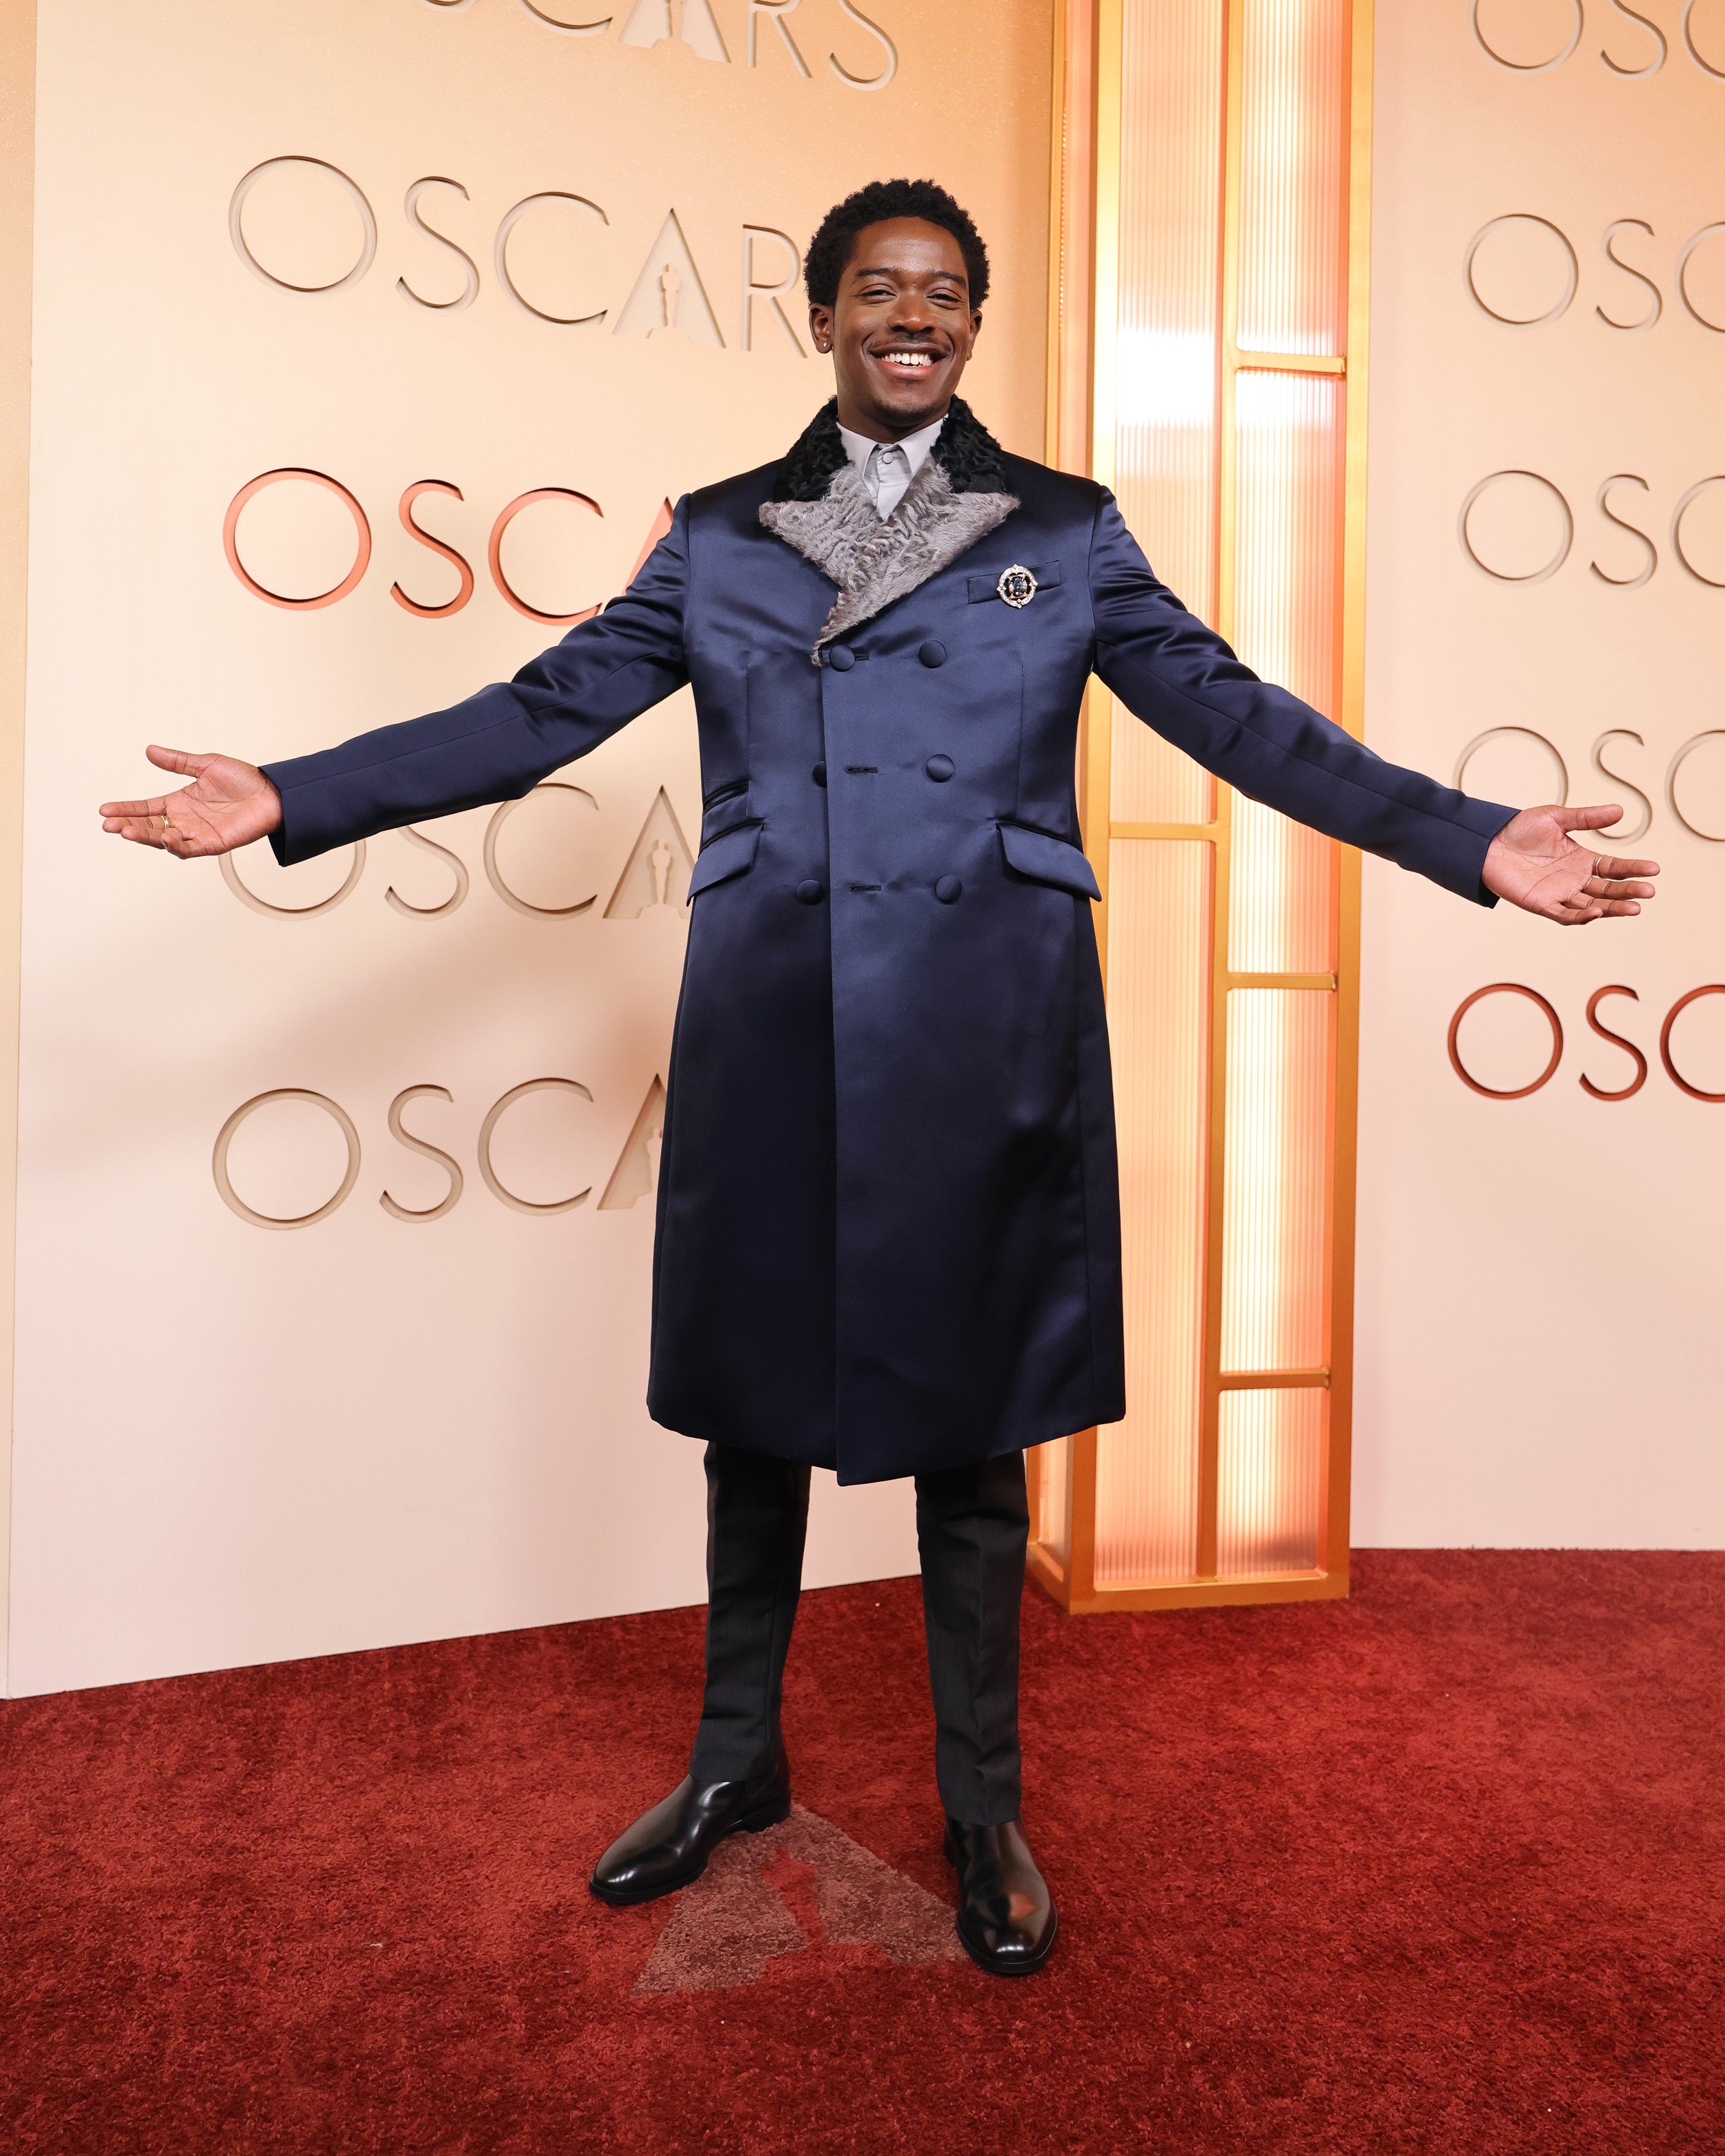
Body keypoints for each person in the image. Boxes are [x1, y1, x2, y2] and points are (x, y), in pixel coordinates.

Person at [99, 179, 1658, 1978]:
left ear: (972, 327)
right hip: (772, 1008)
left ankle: (981, 1808)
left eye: (943, 292)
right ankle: (733, 1762)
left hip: (984, 1017)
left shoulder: (1066, 530)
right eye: (876, 286)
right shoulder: (717, 535)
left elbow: (1237, 715)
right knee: (751, 1409)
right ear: (823, 316)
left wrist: (1468, 837)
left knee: (974, 1426)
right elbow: (538, 714)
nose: (911, 313)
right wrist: (295, 792)